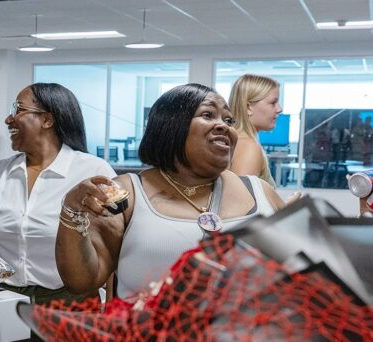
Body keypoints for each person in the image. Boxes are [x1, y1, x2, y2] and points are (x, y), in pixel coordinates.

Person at [55, 84, 286, 301]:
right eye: (208, 115)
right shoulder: (128, 192)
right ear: (170, 126)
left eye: (228, 119)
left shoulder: (260, 192)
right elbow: (82, 281)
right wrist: (71, 212)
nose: (224, 125)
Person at [0, 83, 115, 306]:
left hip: (70, 306)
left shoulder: (94, 172)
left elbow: (112, 253)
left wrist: (115, 312)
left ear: (47, 120)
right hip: (2, 303)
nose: (8, 119)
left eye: (18, 109)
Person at [228, 74, 282, 187]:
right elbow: (240, 202)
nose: (279, 109)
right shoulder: (248, 147)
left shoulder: (236, 140)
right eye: (273, 103)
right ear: (248, 108)